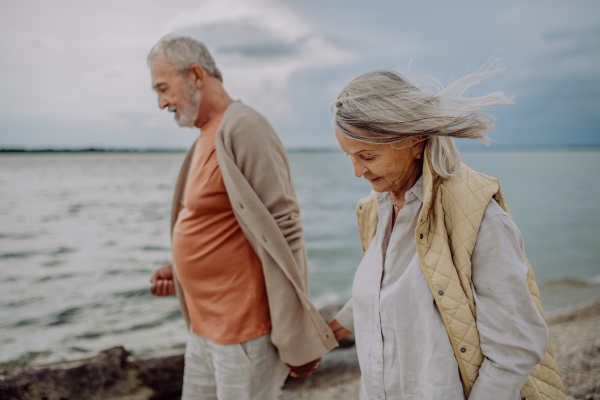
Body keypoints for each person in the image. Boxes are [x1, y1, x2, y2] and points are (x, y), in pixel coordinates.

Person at [325, 66, 566, 399]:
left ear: (414, 140)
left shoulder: (480, 218)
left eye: (367, 156)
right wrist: (326, 335)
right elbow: (384, 288)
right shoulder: (374, 209)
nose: (356, 171)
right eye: (349, 156)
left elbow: (516, 348)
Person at [146, 34, 337, 400]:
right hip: (203, 330)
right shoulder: (205, 134)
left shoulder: (244, 126)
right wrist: (180, 268)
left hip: (244, 336)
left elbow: (286, 228)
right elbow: (215, 224)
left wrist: (296, 334)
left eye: (163, 88)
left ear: (197, 75)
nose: (162, 103)